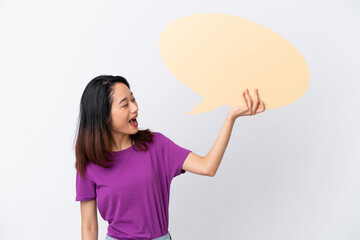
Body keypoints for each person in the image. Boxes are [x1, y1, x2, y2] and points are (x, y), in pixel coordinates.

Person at [74, 75, 265, 240]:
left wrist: (231, 117)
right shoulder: (89, 162)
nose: (135, 108)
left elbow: (208, 167)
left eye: (133, 99)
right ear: (104, 116)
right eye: (125, 104)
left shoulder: (156, 146)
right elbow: (89, 226)